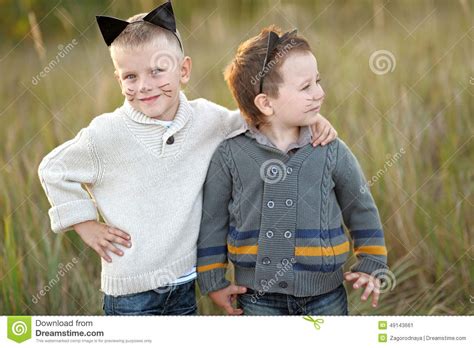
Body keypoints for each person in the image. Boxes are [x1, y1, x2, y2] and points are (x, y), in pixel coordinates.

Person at [38, 3, 337, 315]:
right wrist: (85, 224)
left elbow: (256, 119)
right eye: (130, 76)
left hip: (185, 282)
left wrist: (308, 120)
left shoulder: (206, 119)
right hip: (131, 293)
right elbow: (53, 168)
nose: (144, 86)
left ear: (183, 70)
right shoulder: (106, 134)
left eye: (157, 71)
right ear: (118, 79)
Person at [197, 26, 388, 315]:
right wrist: (213, 280)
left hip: (326, 296)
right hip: (257, 297)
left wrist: (372, 263)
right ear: (265, 103)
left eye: (318, 81)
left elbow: (361, 208)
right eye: (305, 87)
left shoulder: (330, 149)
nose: (320, 93)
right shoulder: (230, 155)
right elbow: (213, 221)